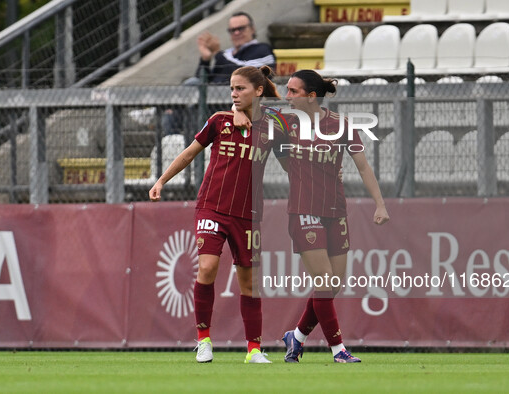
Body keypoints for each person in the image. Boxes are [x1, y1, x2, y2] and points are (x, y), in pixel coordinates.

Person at [234, 70, 389, 363]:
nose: (287, 96)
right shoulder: (285, 123)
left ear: (311, 96)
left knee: (331, 286)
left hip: (336, 210)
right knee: (325, 280)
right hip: (303, 210)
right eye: (287, 90)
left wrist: (380, 204)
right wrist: (235, 109)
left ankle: (298, 337)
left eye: (293, 91)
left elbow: (363, 167)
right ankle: (339, 350)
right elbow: (247, 104)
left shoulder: (341, 125)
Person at [149, 65, 284, 364]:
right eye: (232, 89)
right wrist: (161, 181)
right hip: (212, 206)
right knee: (207, 268)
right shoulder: (219, 121)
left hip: (248, 214)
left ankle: (253, 350)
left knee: (249, 282)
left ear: (258, 91)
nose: (234, 94)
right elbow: (188, 153)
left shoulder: (272, 126)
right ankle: (204, 340)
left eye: (240, 89)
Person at [186, 12, 276, 85]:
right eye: (232, 30)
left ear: (252, 29)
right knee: (192, 82)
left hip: (237, 101)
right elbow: (202, 81)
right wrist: (205, 60)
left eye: (241, 28)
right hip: (213, 100)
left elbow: (244, 74)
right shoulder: (226, 54)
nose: (236, 33)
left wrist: (217, 53)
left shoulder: (262, 49)